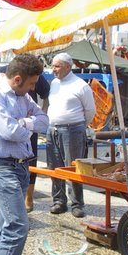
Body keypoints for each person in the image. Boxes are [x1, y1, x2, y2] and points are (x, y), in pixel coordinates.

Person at [0, 54, 49, 255]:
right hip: (0, 167)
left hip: (21, 166)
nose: (33, 88)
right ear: (17, 79)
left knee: (6, 225)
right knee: (17, 227)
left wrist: (23, 122)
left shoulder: (23, 96)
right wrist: (27, 128)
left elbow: (44, 120)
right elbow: (9, 131)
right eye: (32, 83)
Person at [46, 52, 96, 219]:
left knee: (73, 168)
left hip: (72, 130)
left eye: (57, 66)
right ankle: (59, 201)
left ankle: (77, 204)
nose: (53, 69)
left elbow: (90, 111)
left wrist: (78, 125)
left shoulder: (81, 85)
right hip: (52, 129)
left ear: (68, 67)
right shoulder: (54, 83)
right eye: (53, 66)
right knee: (55, 167)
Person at [25, 70, 50, 213]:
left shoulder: (35, 75)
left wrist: (43, 111)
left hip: (30, 125)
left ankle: (29, 197)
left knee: (31, 158)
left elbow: (46, 92)